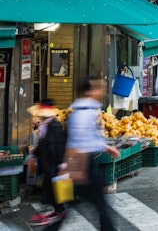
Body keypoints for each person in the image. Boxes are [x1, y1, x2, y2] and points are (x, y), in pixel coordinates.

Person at [64, 77, 121, 231]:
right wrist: (78, 170)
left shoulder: (88, 110)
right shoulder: (83, 112)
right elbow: (77, 142)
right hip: (83, 165)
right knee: (99, 203)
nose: (101, 91)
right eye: (98, 88)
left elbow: (88, 137)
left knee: (94, 204)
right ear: (88, 91)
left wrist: (105, 147)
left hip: (84, 164)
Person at [28, 99, 66, 226]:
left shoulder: (54, 126)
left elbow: (57, 146)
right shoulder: (45, 125)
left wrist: (61, 165)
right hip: (48, 163)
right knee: (50, 188)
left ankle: (59, 212)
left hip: (53, 163)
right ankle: (58, 210)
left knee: (51, 189)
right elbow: (43, 143)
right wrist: (35, 151)